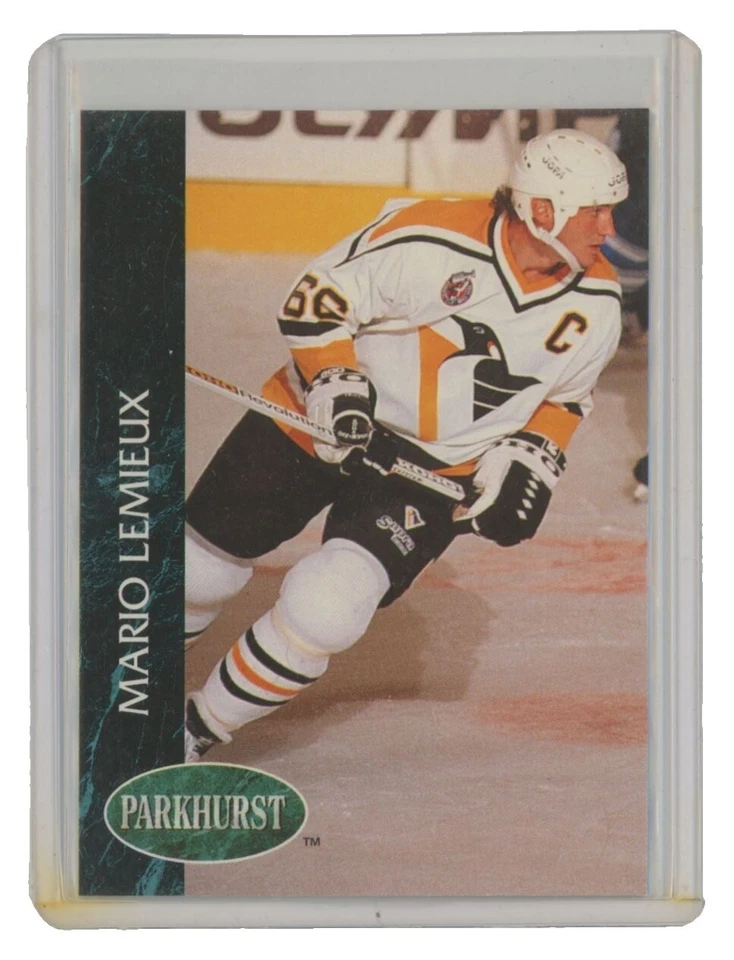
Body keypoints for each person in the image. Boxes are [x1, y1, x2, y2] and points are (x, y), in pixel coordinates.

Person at [184, 129, 628, 762]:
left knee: (327, 607)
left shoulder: (598, 301)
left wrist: (529, 463)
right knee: (199, 573)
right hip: (320, 420)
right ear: (543, 209)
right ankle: (122, 692)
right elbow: (317, 298)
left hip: (432, 469)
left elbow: (565, 398)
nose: (609, 228)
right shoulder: (431, 238)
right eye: (596, 211)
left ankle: (192, 731)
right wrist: (337, 383)